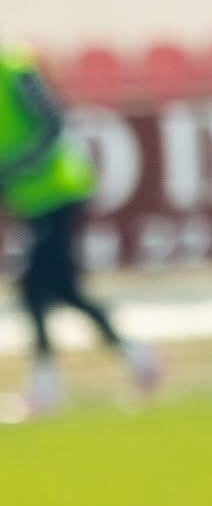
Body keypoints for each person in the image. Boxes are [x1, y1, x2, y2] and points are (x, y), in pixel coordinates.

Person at [0, 43, 159, 414]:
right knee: (62, 289)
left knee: (34, 289)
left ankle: (46, 385)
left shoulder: (12, 67)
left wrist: (16, 167)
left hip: (59, 190)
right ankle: (137, 357)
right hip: (31, 200)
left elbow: (51, 122)